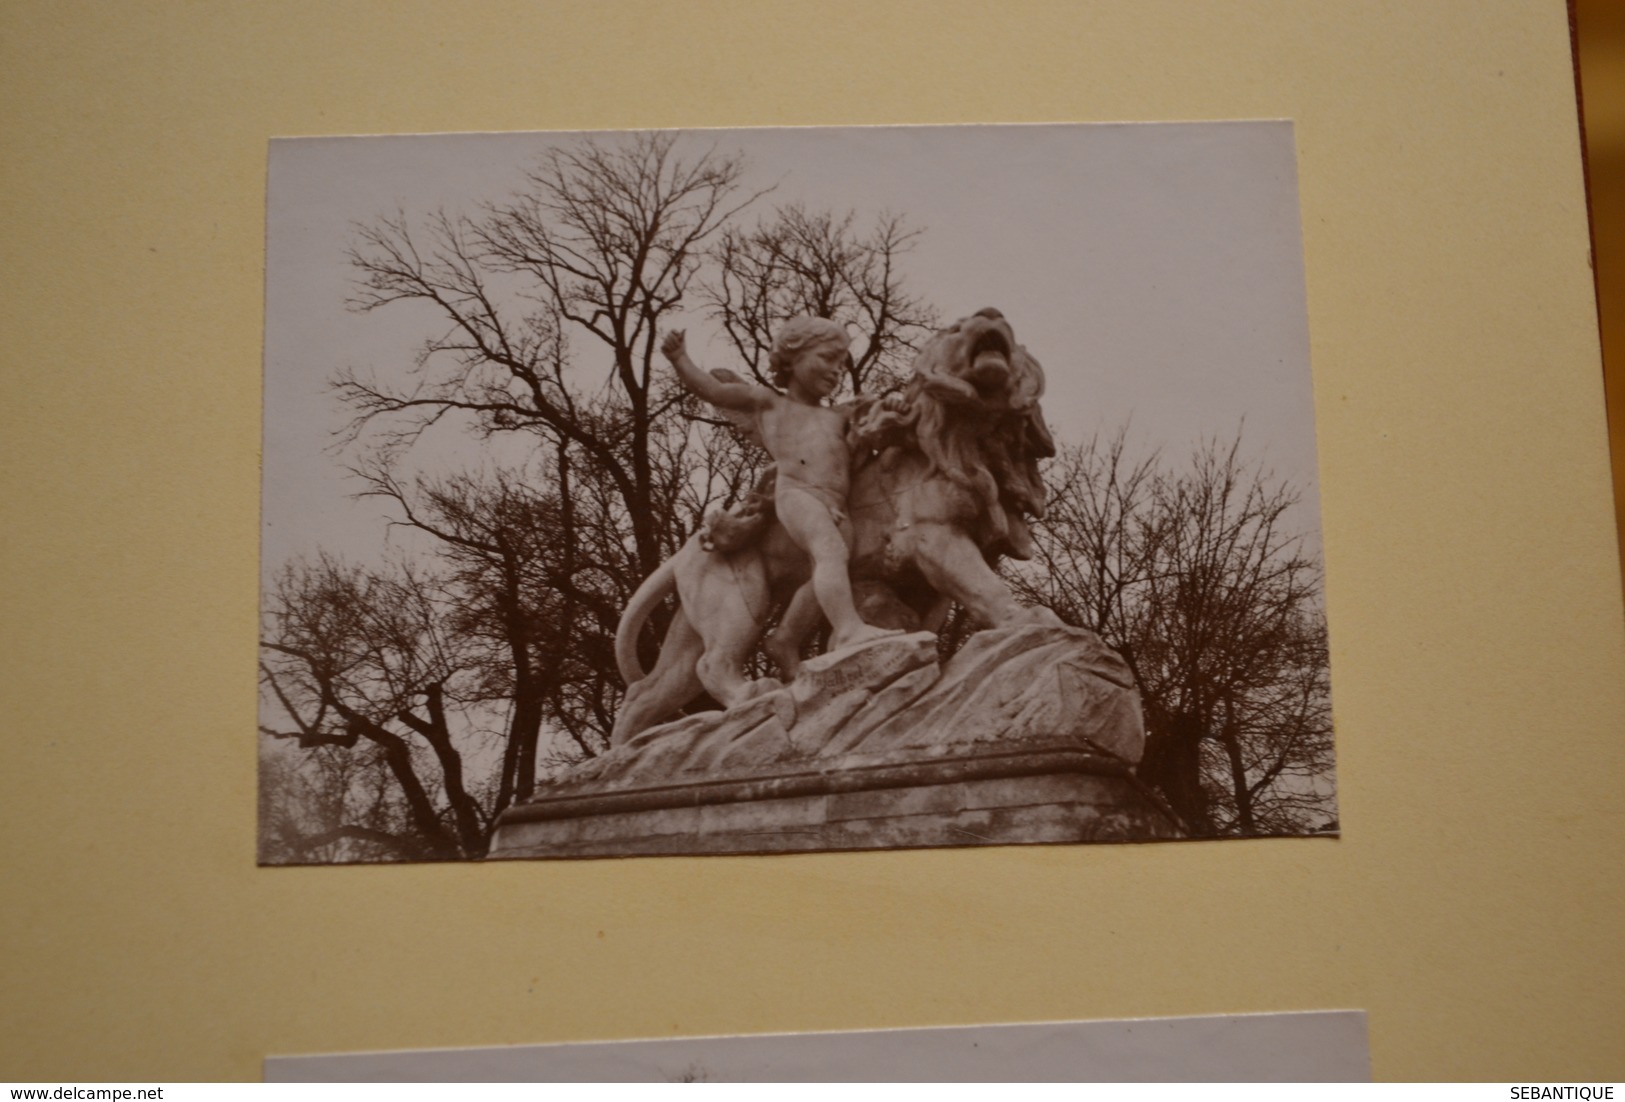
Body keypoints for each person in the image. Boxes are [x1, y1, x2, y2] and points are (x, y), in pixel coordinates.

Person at [661, 317, 895, 653]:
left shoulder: (840, 416)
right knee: (830, 552)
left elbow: (882, 423)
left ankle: (785, 642)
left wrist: (894, 404)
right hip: (797, 494)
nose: (837, 371)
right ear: (792, 357)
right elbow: (713, 390)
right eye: (828, 358)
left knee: (829, 566)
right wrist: (680, 358)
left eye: (842, 365)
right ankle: (847, 629)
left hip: (836, 506)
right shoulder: (770, 403)